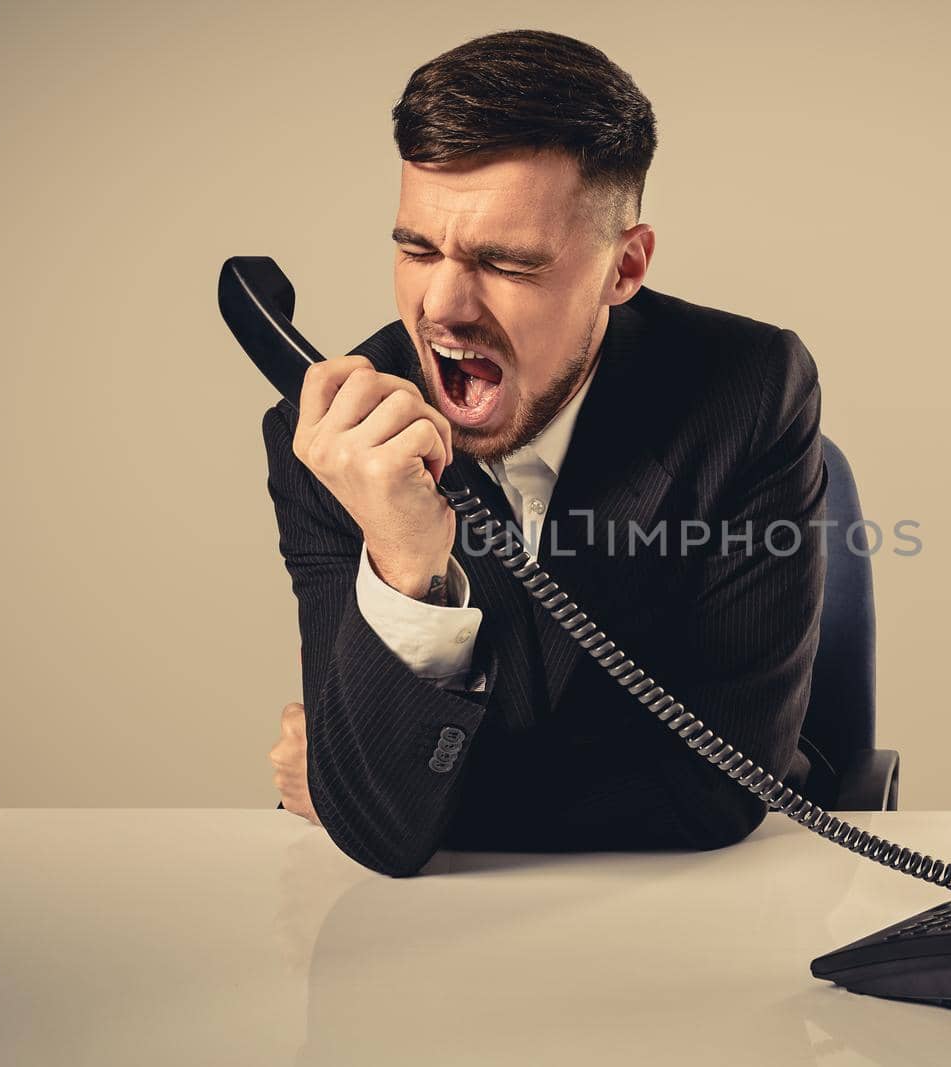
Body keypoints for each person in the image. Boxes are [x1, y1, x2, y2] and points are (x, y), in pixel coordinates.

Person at [262, 29, 827, 877]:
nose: (443, 308)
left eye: (506, 263)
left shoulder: (748, 388)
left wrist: (369, 781)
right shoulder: (331, 438)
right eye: (417, 248)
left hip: (696, 920)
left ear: (623, 268)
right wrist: (406, 559)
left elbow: (717, 787)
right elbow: (380, 836)